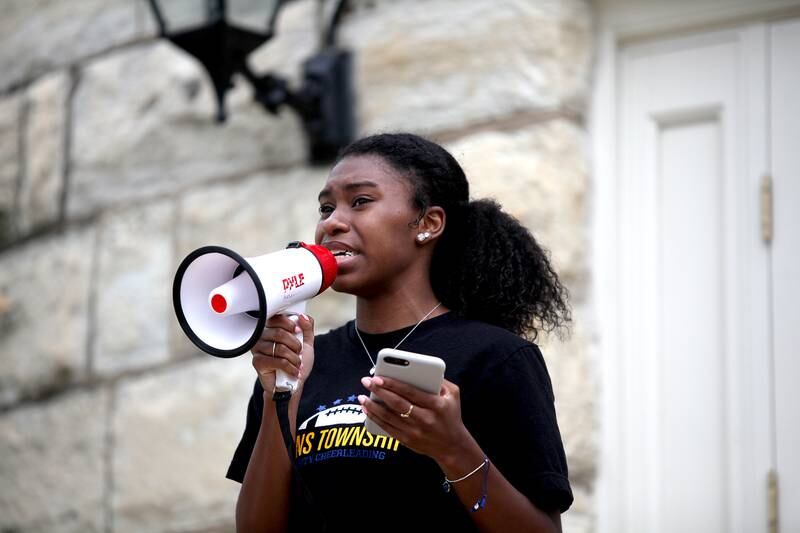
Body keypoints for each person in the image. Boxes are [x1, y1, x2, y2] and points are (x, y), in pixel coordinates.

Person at [226, 133, 573, 532]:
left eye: (360, 201)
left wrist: (452, 447)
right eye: (326, 207)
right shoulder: (299, 362)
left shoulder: (496, 358)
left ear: (427, 224)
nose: (332, 222)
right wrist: (280, 397)